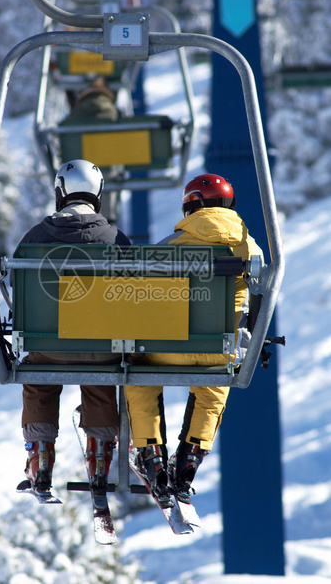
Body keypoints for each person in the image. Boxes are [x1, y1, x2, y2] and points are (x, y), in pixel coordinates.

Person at [124, 173, 263, 506]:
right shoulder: (248, 246)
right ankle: (188, 462)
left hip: (165, 350)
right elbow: (262, 293)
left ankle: (151, 454)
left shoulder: (171, 246)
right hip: (217, 349)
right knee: (214, 386)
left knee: (138, 374)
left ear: (193, 206)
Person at [17, 159, 131, 495]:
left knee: (39, 382)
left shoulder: (34, 238)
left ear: (60, 193)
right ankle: (99, 462)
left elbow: (18, 291)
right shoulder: (115, 238)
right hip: (101, 347)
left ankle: (40, 463)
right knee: (99, 377)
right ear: (97, 194)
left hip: (46, 347)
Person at [61, 77, 123, 224]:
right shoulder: (115, 113)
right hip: (109, 170)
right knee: (109, 175)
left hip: (80, 171)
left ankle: (78, 220)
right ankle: (108, 220)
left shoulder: (75, 115)